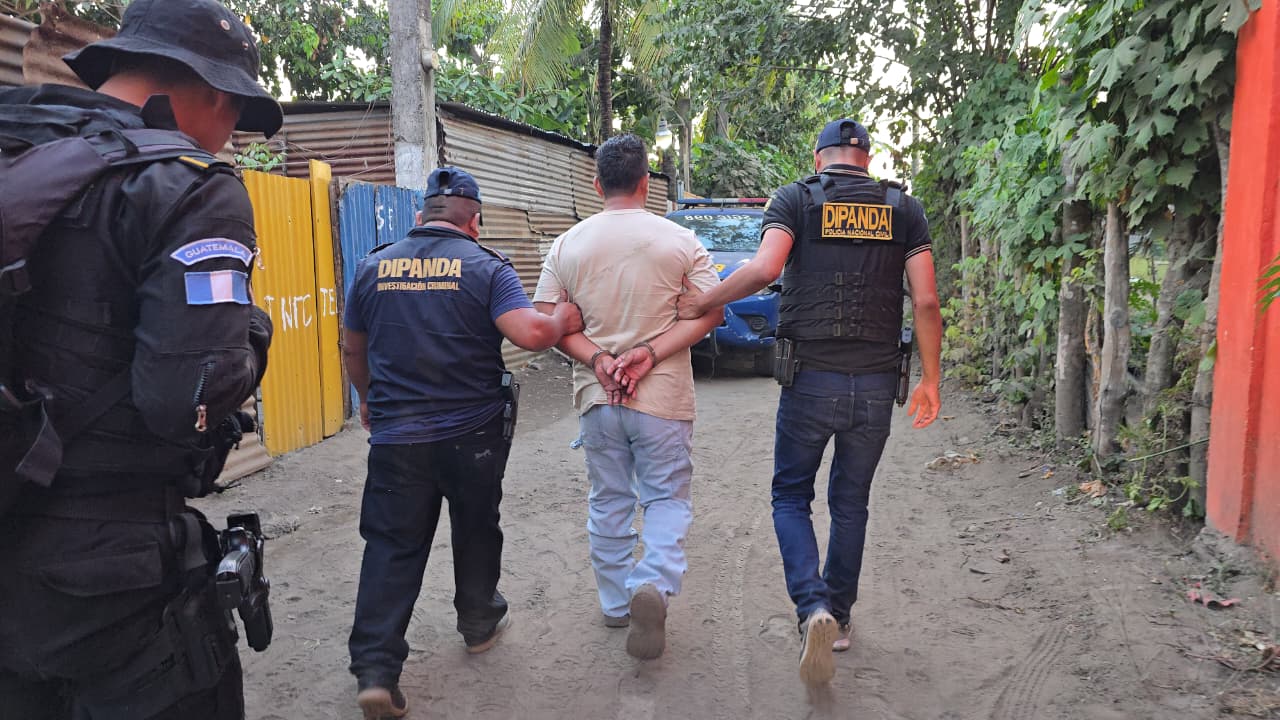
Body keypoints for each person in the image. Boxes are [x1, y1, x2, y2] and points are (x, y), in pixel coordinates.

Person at [0, 1, 282, 718]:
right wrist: (252, 332)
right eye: (236, 111)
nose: (231, 133)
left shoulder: (17, 147)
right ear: (213, 92)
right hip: (110, 578)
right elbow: (187, 400)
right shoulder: (187, 185)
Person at [677, 118, 942, 686]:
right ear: (867, 159)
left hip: (810, 381)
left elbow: (766, 269)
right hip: (876, 384)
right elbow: (925, 301)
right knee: (851, 501)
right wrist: (931, 380)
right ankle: (838, 619)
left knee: (790, 495)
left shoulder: (796, 199)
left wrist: (702, 303)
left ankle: (812, 605)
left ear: (819, 158)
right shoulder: (904, 209)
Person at [343, 165, 583, 719]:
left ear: (420, 214)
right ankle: (478, 624)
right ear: (474, 221)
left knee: (391, 545)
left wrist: (368, 400)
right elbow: (531, 333)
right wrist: (563, 317)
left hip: (397, 436)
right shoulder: (486, 266)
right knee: (476, 526)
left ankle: (376, 672)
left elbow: (353, 348)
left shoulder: (373, 266)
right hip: (471, 434)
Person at [532, 134, 724, 660]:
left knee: (609, 498)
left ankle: (617, 603)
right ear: (645, 184)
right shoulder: (680, 240)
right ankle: (653, 585)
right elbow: (713, 312)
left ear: (598, 185)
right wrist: (650, 353)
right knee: (665, 497)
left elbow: (547, 324)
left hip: (598, 399)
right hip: (662, 399)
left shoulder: (567, 245)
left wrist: (600, 360)